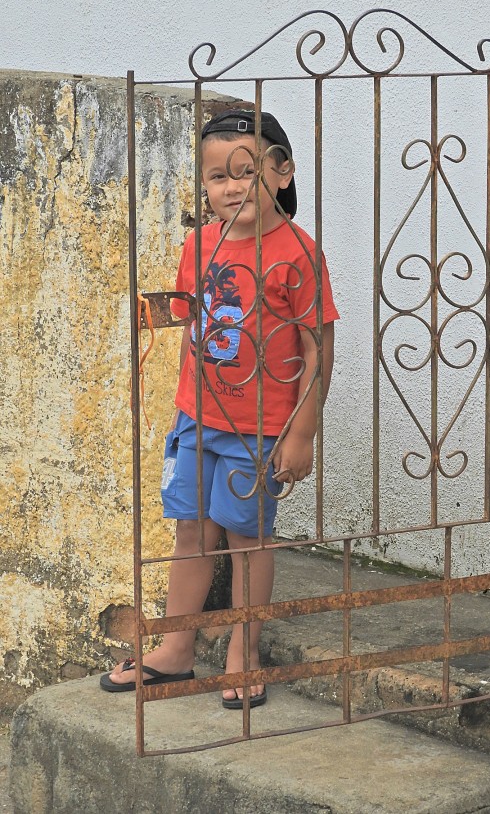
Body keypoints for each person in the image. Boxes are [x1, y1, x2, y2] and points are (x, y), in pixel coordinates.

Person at [100, 109, 339, 708]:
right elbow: (195, 313)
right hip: (194, 418)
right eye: (216, 178)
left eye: (245, 172)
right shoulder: (198, 242)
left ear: (282, 173)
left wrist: (302, 433)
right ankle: (176, 650)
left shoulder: (298, 253)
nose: (231, 188)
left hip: (257, 428)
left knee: (247, 539)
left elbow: (318, 348)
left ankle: (243, 652)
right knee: (191, 532)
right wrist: (157, 314)